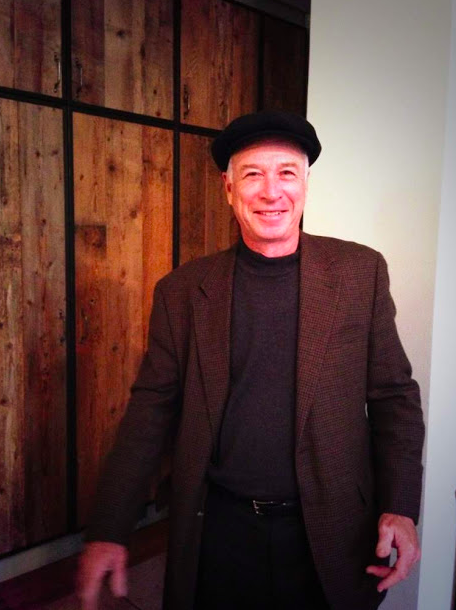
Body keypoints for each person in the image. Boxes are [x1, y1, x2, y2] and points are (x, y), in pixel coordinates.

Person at [78, 111, 424, 610]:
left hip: (332, 527)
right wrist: (109, 526)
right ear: (229, 188)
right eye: (253, 174)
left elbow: (395, 398)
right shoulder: (182, 292)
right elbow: (150, 412)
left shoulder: (359, 273)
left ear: (306, 183)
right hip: (219, 530)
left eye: (287, 173)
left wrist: (400, 506)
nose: (271, 191)